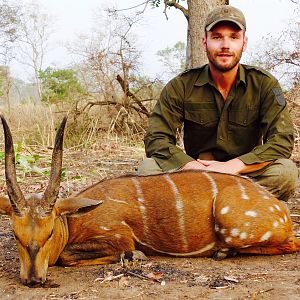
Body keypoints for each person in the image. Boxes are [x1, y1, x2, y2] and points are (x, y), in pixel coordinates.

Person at [137, 5, 298, 201]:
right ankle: (219, 207)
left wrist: (233, 166)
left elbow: (282, 140)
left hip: (243, 176)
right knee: (147, 169)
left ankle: (207, 207)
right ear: (204, 42)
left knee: (285, 173)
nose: (225, 45)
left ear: (244, 43)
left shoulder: (264, 84)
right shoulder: (180, 86)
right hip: (194, 176)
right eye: (217, 37)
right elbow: (156, 138)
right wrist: (190, 166)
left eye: (233, 37)